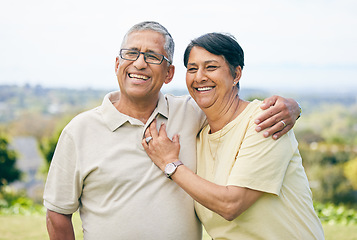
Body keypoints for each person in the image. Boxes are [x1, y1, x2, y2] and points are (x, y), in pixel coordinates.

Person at [43, 21, 301, 240]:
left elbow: (232, 108)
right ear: (117, 64)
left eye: (153, 57)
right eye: (131, 53)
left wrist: (291, 107)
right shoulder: (80, 131)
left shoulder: (193, 113)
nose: (140, 63)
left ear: (169, 73)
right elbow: (57, 214)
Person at [142, 32, 324, 239]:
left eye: (211, 67)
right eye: (192, 69)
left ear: (236, 74)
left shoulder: (264, 121)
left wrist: (170, 163)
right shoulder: (197, 134)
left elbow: (231, 204)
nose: (199, 76)